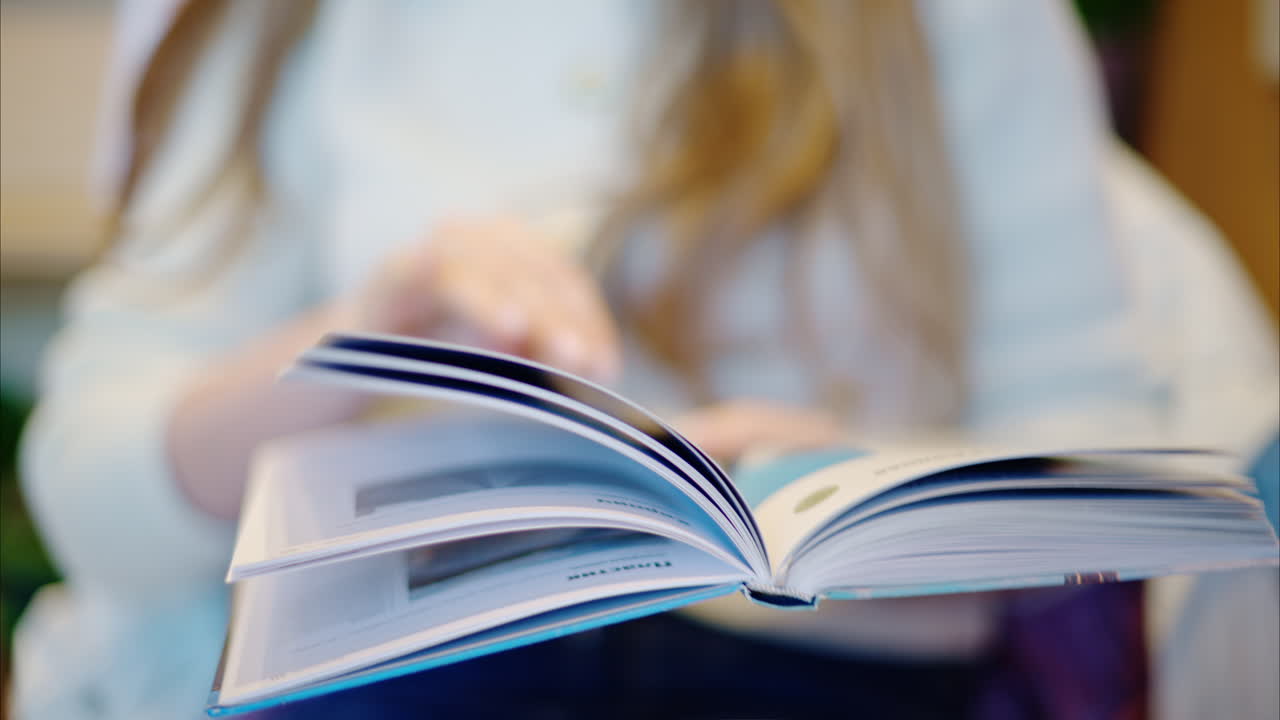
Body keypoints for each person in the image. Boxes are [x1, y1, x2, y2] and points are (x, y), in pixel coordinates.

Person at [11, 0, 1278, 718]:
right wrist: (358, 346)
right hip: (412, 677)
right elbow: (92, 498)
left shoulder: (957, 25)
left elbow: (1113, 490)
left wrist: (845, 488)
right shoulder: (291, 30)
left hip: (822, 681)